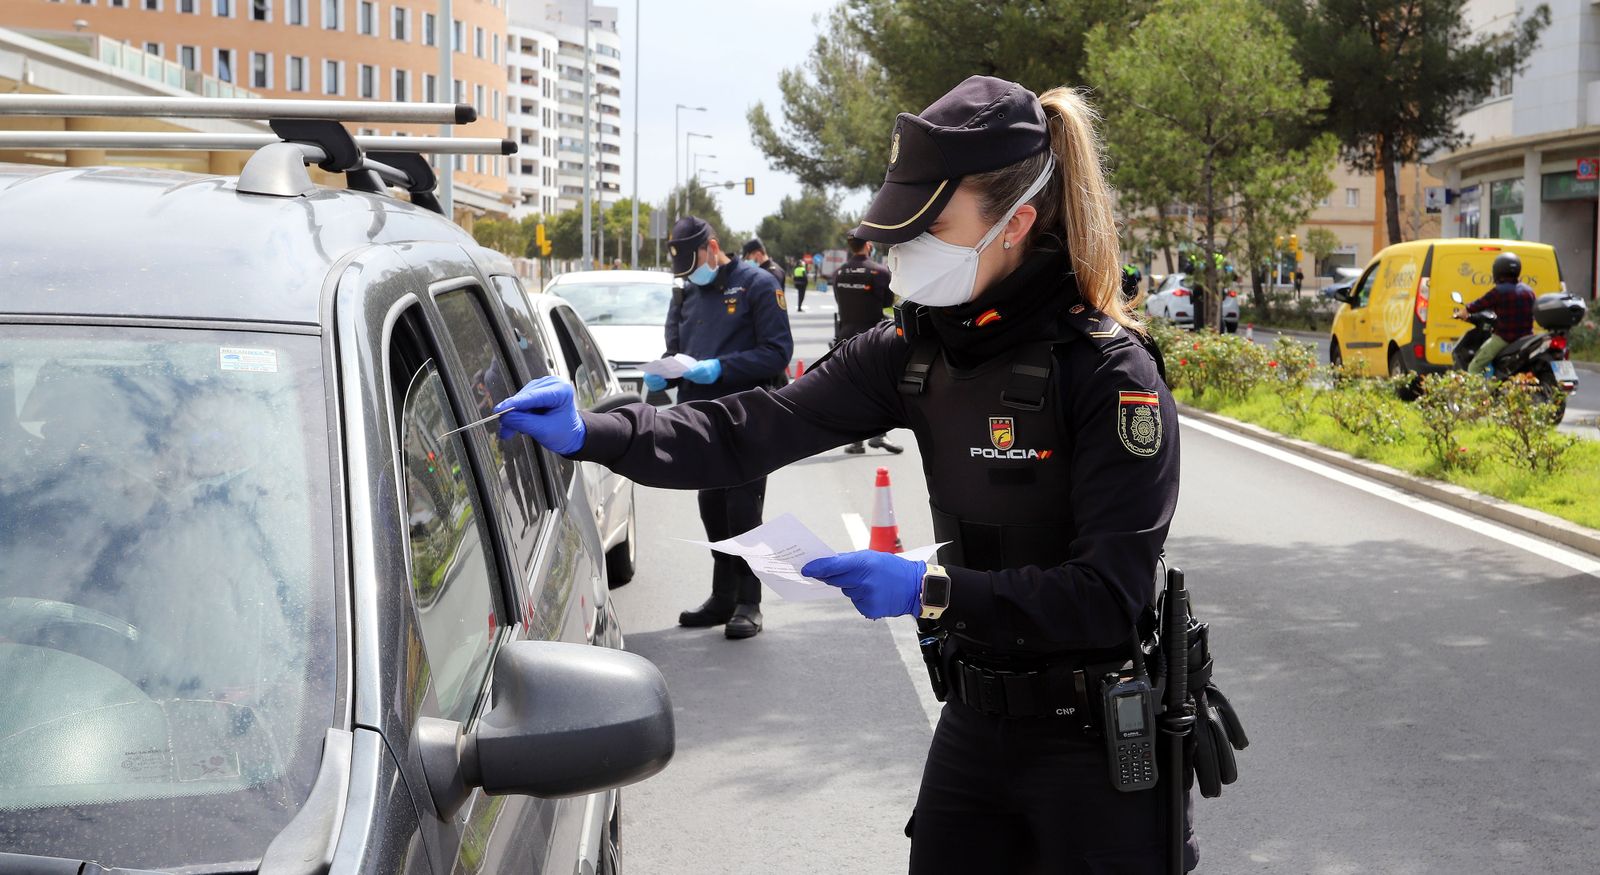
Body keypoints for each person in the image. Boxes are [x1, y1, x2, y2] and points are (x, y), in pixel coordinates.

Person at [495, 76, 1191, 872]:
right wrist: (597, 428)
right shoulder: (917, 349)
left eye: (934, 226)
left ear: (1016, 223)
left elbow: (1108, 598)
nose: (906, 253)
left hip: (1092, 746)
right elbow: (753, 427)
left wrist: (928, 589)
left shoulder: (1109, 374)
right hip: (974, 725)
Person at [638, 216, 793, 639]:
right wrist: (664, 373)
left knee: (743, 511)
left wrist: (722, 367)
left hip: (747, 414)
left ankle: (749, 601)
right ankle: (722, 596)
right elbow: (678, 349)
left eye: (695, 262)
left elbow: (777, 353)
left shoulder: (758, 284)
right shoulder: (687, 290)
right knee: (712, 509)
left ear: (713, 246)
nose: (691, 274)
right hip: (700, 416)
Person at [832, 234, 903, 455]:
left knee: (853, 388)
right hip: (872, 336)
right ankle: (878, 434)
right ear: (869, 246)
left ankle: (857, 440)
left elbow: (838, 299)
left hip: (845, 334)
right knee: (880, 387)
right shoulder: (880, 272)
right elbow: (887, 302)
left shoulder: (839, 272)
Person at [1458, 251, 1535, 376]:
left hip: (1505, 338)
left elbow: (1480, 304)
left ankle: (1476, 395)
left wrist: (1465, 310)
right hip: (1526, 338)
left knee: (1474, 367)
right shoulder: (1528, 291)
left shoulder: (1499, 291)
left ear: (1497, 271)